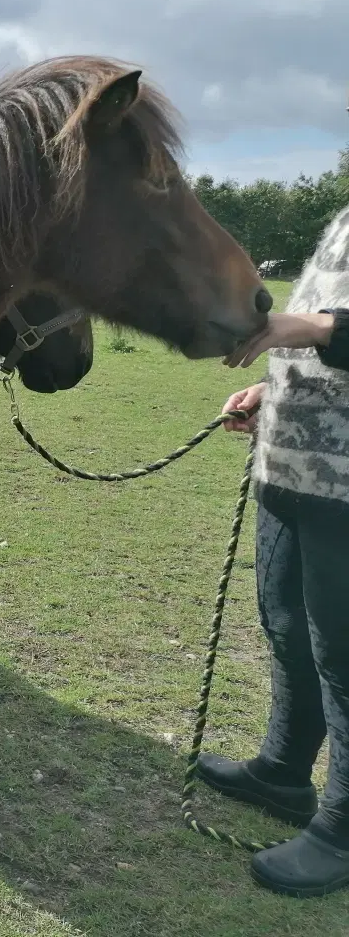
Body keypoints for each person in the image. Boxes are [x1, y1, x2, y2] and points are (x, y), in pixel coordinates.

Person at [205, 198, 349, 897]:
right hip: (294, 467)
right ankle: (285, 773)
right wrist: (275, 384)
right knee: (288, 625)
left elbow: (326, 326)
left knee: (345, 656)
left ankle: (342, 831)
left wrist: (307, 327)